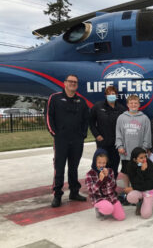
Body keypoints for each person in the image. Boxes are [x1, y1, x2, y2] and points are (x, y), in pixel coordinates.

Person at [45, 74, 90, 207]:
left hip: (77, 140)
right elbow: (49, 117)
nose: (72, 84)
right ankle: (57, 194)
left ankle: (74, 192)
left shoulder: (81, 101)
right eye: (70, 81)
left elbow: (85, 120)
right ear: (64, 83)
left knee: (73, 167)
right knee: (59, 168)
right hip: (61, 140)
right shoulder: (55, 98)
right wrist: (55, 133)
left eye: (75, 82)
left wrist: (83, 135)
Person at [115, 94, 152, 197]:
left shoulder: (144, 118)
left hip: (139, 154)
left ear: (139, 105)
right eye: (131, 103)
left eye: (136, 103)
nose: (133, 105)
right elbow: (118, 133)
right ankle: (127, 190)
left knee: (139, 171)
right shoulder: (121, 118)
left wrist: (144, 149)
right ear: (127, 104)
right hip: (126, 151)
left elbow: (147, 135)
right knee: (126, 171)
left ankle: (138, 190)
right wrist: (119, 146)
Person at [89, 85, 126, 181]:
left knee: (114, 166)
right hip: (103, 143)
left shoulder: (121, 109)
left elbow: (125, 125)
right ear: (105, 95)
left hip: (116, 143)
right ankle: (99, 186)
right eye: (109, 94)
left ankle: (111, 187)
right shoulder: (98, 106)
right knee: (101, 165)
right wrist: (97, 135)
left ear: (116, 95)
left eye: (113, 94)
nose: (111, 95)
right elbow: (91, 122)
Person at [85, 149, 125, 221]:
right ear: (95, 162)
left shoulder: (110, 171)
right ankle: (99, 209)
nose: (101, 165)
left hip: (111, 197)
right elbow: (91, 191)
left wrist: (107, 177)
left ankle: (109, 207)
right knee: (108, 209)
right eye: (99, 162)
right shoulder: (89, 174)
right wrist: (100, 180)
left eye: (104, 163)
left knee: (121, 217)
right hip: (98, 198)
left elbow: (113, 187)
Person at [126, 147, 153, 219]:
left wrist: (144, 171)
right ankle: (140, 202)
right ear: (134, 159)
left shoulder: (150, 164)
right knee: (130, 197)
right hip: (139, 190)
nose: (144, 159)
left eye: (145, 156)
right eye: (141, 158)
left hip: (149, 191)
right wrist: (141, 171)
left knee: (145, 215)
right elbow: (134, 183)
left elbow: (150, 184)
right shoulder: (130, 166)